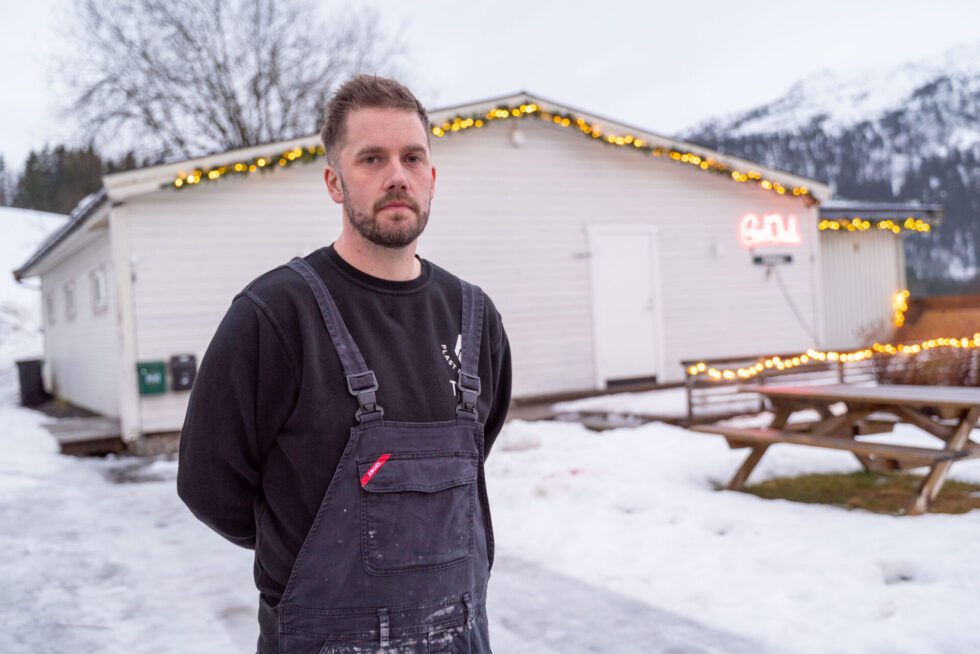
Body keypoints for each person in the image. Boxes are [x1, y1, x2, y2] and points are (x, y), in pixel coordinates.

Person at [177, 75, 512, 654]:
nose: (397, 176)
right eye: (372, 158)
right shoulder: (275, 315)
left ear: (432, 178)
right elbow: (209, 485)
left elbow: (478, 447)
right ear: (334, 181)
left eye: (412, 158)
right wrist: (311, 554)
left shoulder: (475, 318)